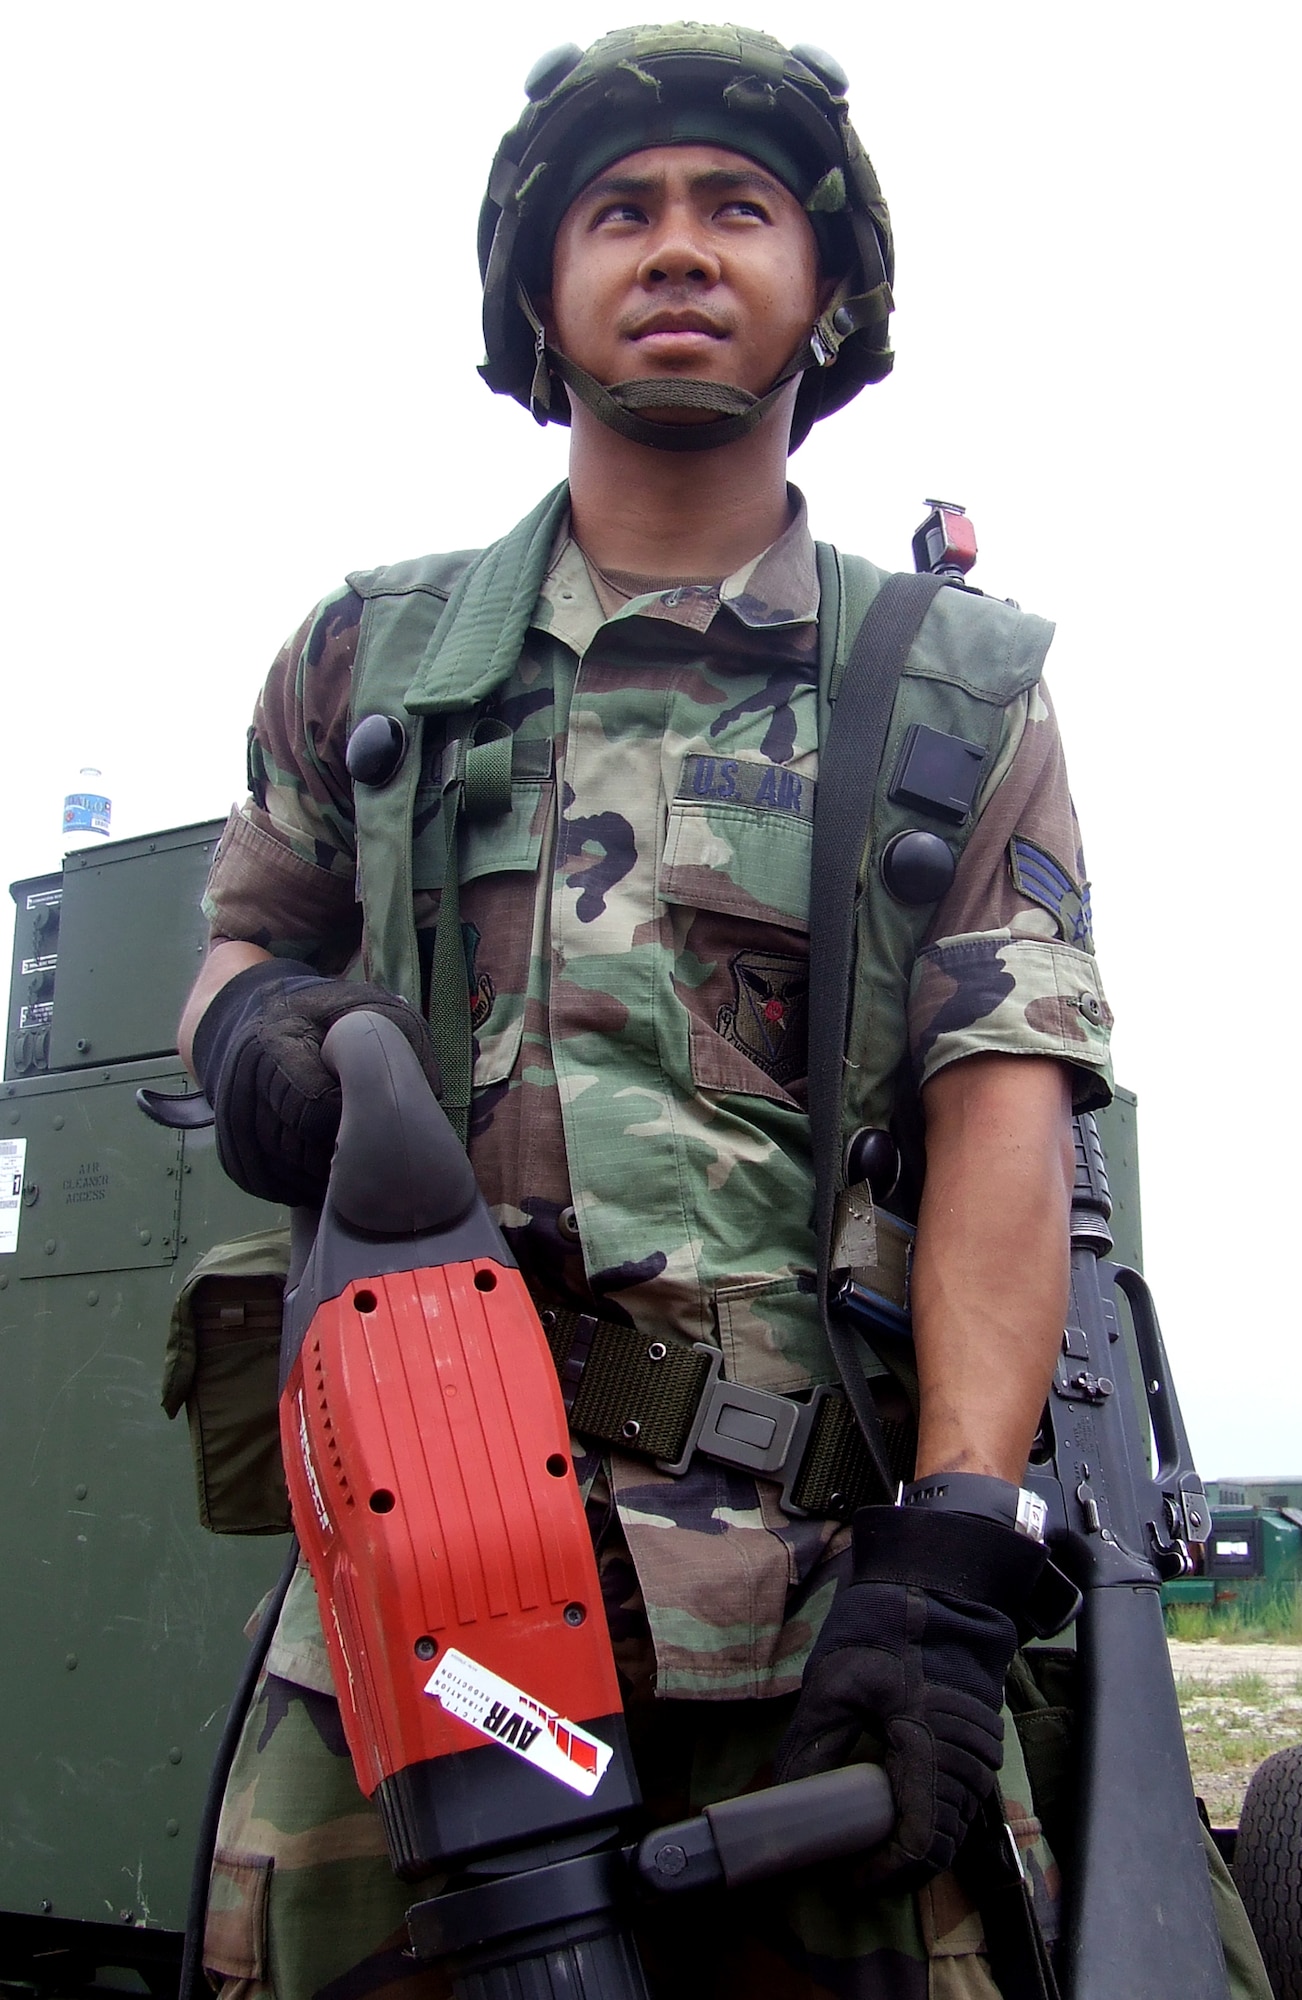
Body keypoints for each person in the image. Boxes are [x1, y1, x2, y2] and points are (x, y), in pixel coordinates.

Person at [176, 25, 1248, 2000]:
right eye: (622, 210)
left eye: (738, 209)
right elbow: (245, 951)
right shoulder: (367, 662)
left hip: (811, 1604)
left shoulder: (954, 689)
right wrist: (270, 1049)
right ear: (539, 287)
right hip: (419, 1598)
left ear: (823, 292)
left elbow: (1007, 1108)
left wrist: (946, 1565)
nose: (680, 249)